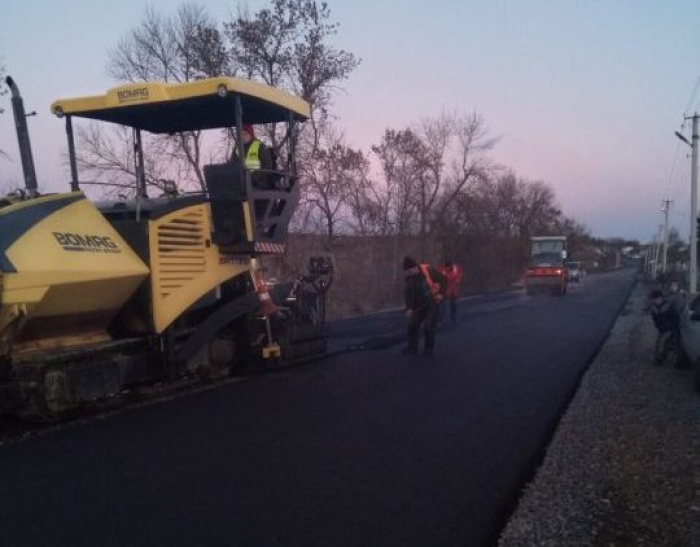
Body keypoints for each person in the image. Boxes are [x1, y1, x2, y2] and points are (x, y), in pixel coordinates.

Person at [403, 256, 447, 356]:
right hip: (418, 307)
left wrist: (441, 294)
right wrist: (409, 308)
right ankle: (412, 348)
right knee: (412, 325)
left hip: (431, 304)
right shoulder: (409, 279)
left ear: (414, 267)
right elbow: (408, 294)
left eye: (409, 271)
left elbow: (444, 280)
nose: (408, 273)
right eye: (407, 272)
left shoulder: (428, 271)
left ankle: (428, 349)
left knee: (428, 326)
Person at [648, 289, 681, 366]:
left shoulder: (668, 307)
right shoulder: (654, 308)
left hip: (670, 328)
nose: (653, 301)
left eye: (654, 299)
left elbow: (676, 317)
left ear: (659, 298)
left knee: (661, 343)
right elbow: (655, 319)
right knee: (665, 344)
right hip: (662, 329)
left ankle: (658, 359)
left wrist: (672, 326)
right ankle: (661, 358)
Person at [440, 260, 464, 324]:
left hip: (453, 289)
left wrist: (458, 279)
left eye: (448, 267)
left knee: (453, 304)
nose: (447, 269)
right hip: (445, 289)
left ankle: (454, 317)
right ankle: (440, 320)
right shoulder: (442, 270)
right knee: (442, 305)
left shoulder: (456, 269)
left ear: (450, 266)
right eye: (446, 268)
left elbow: (459, 274)